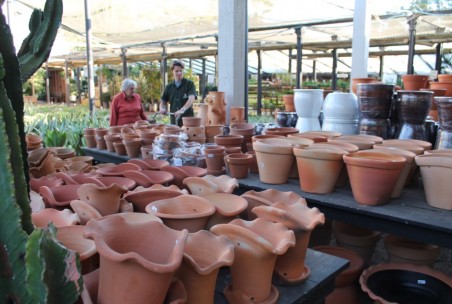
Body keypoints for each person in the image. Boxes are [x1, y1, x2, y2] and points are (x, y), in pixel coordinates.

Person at [159, 60, 197, 126]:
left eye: (180, 71)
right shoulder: (169, 87)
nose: (179, 73)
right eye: (176, 71)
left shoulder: (189, 84)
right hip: (174, 120)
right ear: (172, 72)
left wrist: (182, 110)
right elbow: (163, 100)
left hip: (187, 121)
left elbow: (191, 98)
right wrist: (162, 108)